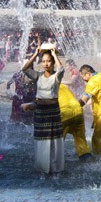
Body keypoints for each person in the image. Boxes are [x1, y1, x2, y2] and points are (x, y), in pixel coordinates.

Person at [21, 45, 65, 175]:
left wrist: (54, 54)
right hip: (40, 110)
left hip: (53, 110)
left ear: (52, 63)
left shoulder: (56, 76)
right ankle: (42, 167)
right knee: (42, 139)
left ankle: (56, 167)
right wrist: (35, 54)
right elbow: (25, 69)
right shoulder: (38, 76)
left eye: (48, 61)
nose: (46, 64)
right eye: (44, 61)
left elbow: (61, 69)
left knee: (54, 140)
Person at [58, 83, 91, 160]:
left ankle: (54, 163)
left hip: (65, 113)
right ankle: (87, 160)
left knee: (57, 139)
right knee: (81, 139)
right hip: (78, 110)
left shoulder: (47, 87)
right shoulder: (63, 86)